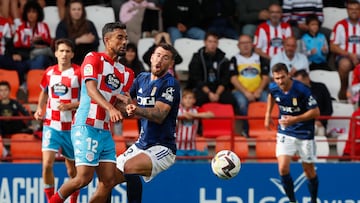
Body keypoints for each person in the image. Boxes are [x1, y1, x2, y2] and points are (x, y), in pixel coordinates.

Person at [49, 22, 135, 203]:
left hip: (104, 131)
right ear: (107, 40)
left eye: (126, 38)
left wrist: (128, 107)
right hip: (85, 125)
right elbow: (91, 89)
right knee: (83, 178)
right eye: (120, 37)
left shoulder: (127, 73)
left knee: (109, 180)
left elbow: (119, 107)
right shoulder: (93, 58)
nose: (124, 42)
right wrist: (111, 108)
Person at [106, 43, 180, 202]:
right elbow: (123, 103)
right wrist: (119, 102)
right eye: (158, 55)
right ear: (151, 57)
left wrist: (135, 109)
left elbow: (159, 115)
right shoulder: (141, 78)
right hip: (141, 144)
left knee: (130, 167)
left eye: (165, 57)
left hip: (163, 147)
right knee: (107, 178)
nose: (160, 59)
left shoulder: (170, 84)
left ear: (170, 64)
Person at [33, 38, 81, 203]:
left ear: (72, 54)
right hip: (51, 126)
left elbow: (89, 99)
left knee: (72, 171)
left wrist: (71, 106)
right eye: (61, 51)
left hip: (72, 128)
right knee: (46, 165)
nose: (64, 54)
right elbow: (44, 92)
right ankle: (50, 200)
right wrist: (40, 108)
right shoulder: (49, 72)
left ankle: (73, 201)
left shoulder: (79, 73)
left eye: (67, 51)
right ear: (55, 53)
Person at [265, 63, 320, 203]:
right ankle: (292, 201)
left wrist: (295, 119)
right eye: (277, 78)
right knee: (283, 168)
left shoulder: (302, 90)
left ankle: (313, 199)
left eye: (282, 77)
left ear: (289, 74)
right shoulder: (273, 87)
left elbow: (316, 112)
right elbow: (271, 96)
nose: (280, 81)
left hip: (304, 133)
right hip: (285, 131)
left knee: (309, 171)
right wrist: (267, 115)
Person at [230, 34, 270, 137]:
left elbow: (265, 77)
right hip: (240, 91)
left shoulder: (260, 58)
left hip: (259, 91)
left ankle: (264, 129)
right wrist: (246, 92)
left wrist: (259, 90)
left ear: (252, 45)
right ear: (238, 45)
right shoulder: (234, 59)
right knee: (242, 103)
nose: (245, 46)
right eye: (242, 43)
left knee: (266, 101)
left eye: (247, 43)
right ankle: (247, 130)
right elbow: (233, 79)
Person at [186, 31, 237, 112]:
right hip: (202, 89)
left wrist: (217, 94)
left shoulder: (223, 59)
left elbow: (225, 79)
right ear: (205, 42)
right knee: (197, 99)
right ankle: (197, 124)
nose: (212, 44)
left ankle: (226, 124)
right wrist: (209, 93)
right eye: (210, 41)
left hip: (218, 90)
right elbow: (196, 79)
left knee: (231, 100)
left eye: (215, 42)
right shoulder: (197, 57)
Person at [330, 0, 360, 101]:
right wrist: (350, 54)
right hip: (345, 56)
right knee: (344, 64)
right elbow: (333, 46)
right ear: (347, 10)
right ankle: (343, 91)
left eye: (356, 9)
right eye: (351, 9)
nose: (354, 11)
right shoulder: (340, 25)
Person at [12, 1, 54, 71]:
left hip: (42, 56)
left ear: (38, 14)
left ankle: (33, 79)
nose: (31, 14)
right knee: (17, 63)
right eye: (29, 12)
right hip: (25, 56)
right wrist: (32, 46)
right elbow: (16, 45)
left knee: (41, 58)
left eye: (34, 12)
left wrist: (42, 39)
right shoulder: (20, 28)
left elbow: (49, 44)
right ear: (26, 13)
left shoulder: (44, 26)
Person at [55, 0, 100, 66]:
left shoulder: (89, 24)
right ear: (69, 11)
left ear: (82, 11)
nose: (77, 12)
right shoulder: (62, 24)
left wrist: (90, 40)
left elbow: (96, 42)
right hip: (69, 58)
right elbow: (60, 43)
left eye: (79, 9)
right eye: (74, 9)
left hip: (86, 58)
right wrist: (78, 40)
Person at [293, 69, 333, 137]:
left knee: (319, 131)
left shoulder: (321, 87)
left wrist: (320, 121)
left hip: (320, 123)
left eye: (299, 82)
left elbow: (329, 109)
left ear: (307, 78)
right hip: (303, 124)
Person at [0, 80, 32, 160]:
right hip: (2, 129)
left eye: (5, 90)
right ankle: (4, 152)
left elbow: (26, 114)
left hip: (14, 128)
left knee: (30, 131)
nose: (3, 92)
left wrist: (29, 124)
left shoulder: (15, 103)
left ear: (9, 91)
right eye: (1, 90)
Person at [176, 89, 214, 157]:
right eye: (185, 98)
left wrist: (194, 115)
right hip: (178, 147)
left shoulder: (196, 109)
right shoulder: (177, 109)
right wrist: (182, 116)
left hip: (192, 147)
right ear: (182, 100)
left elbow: (211, 115)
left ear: (194, 100)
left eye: (190, 98)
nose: (188, 100)